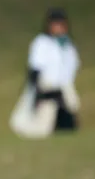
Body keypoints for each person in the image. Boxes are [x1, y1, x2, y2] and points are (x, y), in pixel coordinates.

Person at [9, 7, 81, 138]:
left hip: (64, 89)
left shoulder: (68, 46)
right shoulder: (42, 43)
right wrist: (37, 93)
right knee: (42, 124)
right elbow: (35, 69)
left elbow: (72, 69)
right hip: (46, 89)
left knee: (69, 120)